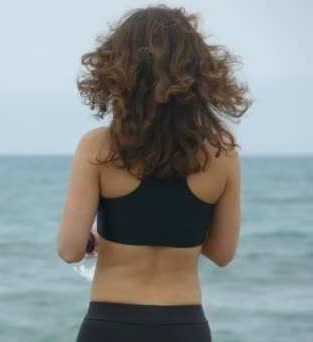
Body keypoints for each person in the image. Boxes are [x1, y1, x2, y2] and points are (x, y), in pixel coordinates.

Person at [56, 5, 250, 342]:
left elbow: (69, 249)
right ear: (199, 75)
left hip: (110, 325)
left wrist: (92, 240)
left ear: (119, 72)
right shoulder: (222, 154)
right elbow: (221, 253)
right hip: (184, 327)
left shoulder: (98, 148)